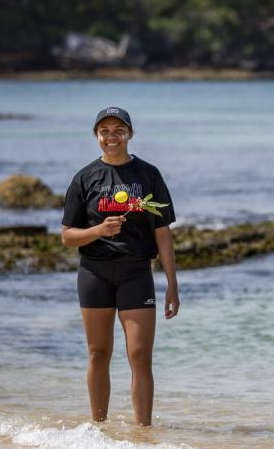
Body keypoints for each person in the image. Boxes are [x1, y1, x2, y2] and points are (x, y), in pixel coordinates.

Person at [61, 107, 180, 426]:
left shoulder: (148, 174)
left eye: (118, 130)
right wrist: (98, 230)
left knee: (140, 356)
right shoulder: (84, 178)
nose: (111, 137)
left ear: (130, 134)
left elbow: (163, 232)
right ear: (96, 136)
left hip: (136, 273)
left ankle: (143, 433)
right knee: (98, 353)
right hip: (94, 273)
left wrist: (172, 284)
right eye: (105, 131)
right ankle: (98, 430)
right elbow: (68, 237)